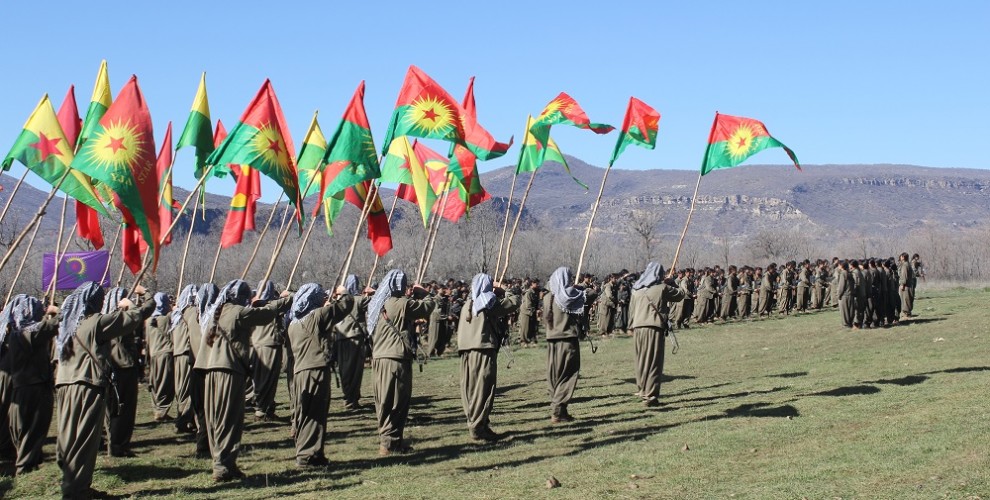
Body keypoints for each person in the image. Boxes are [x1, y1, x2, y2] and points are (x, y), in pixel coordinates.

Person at [55, 282, 153, 499]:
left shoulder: (66, 324)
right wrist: (142, 296)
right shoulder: (96, 323)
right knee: (84, 440)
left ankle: (71, 483)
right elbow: (140, 314)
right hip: (86, 386)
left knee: (69, 437)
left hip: (64, 385)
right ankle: (77, 490)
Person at [198, 279, 292, 482]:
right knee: (230, 419)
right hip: (229, 371)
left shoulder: (216, 310)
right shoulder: (238, 312)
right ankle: (223, 466)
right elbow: (266, 314)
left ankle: (223, 462)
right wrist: (286, 298)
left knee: (215, 419)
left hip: (210, 370)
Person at [367, 269, 435, 456]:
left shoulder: (377, 303)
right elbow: (427, 307)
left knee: (383, 402)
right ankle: (391, 443)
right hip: (395, 359)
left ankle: (388, 441)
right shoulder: (399, 304)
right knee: (398, 402)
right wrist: (422, 293)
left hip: (379, 358)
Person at [285, 283, 352, 467]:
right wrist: (343, 292)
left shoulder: (293, 323)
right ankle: (307, 457)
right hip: (315, 370)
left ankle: (315, 453)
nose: (323, 298)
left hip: (300, 372)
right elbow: (346, 305)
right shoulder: (316, 316)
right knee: (314, 413)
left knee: (306, 413)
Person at [457, 273, 519, 441]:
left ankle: (479, 423)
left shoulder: (467, 304)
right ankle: (478, 427)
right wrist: (504, 288)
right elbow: (513, 303)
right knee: (484, 389)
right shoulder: (487, 302)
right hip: (483, 350)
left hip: (466, 351)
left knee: (470, 390)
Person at [1, 294, 59, 474]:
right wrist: (55, 310)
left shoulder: (13, 334)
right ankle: (26, 466)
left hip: (21, 386)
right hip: (35, 387)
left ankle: (26, 461)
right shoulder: (31, 333)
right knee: (34, 428)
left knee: (21, 427)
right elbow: (63, 319)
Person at [628, 263, 685, 407]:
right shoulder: (662, 288)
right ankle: (651, 395)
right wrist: (673, 282)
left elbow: (631, 311)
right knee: (654, 361)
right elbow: (681, 295)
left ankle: (642, 389)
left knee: (641, 360)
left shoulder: (637, 289)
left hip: (638, 327)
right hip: (653, 327)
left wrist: (630, 326)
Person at [103, 286, 143, 457]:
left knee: (112, 410)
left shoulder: (104, 318)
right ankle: (118, 446)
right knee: (121, 410)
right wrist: (132, 304)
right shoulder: (116, 319)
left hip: (110, 368)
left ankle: (115, 444)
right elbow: (138, 315)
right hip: (122, 367)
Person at [543, 267, 585, 423]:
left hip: (551, 339)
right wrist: (581, 288)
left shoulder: (548, 297)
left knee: (555, 375)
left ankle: (561, 411)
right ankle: (558, 409)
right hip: (567, 339)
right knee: (568, 374)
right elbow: (590, 297)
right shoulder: (570, 294)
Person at [249, 280, 285, 420]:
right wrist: (285, 294)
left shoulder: (251, 305)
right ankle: (261, 410)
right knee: (267, 379)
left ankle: (267, 408)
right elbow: (290, 300)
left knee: (261, 378)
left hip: (256, 344)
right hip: (269, 345)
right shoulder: (272, 306)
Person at [335, 275, 372, 411]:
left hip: (340, 337)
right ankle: (351, 400)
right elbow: (375, 304)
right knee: (355, 371)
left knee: (344, 370)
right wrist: (371, 293)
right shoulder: (359, 300)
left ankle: (349, 397)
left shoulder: (337, 300)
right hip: (355, 338)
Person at [170, 285, 198, 434]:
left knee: (181, 390)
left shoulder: (175, 314)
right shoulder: (190, 314)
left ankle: (188, 420)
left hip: (178, 354)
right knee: (187, 390)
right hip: (187, 353)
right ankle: (182, 420)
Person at [145, 292, 175, 421]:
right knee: (165, 383)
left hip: (153, 354)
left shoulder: (148, 321)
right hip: (165, 354)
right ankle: (161, 411)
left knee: (155, 383)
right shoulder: (166, 319)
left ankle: (157, 409)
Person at [518, 280, 540, 347]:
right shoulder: (529, 293)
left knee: (531, 327)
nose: (537, 285)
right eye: (536, 283)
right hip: (526, 312)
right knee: (525, 327)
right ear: (532, 284)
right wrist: (534, 310)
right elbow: (528, 304)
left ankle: (529, 341)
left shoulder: (535, 292)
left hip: (531, 312)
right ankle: (523, 342)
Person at [835, 261, 854, 328]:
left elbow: (841, 286)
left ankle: (846, 324)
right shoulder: (849, 273)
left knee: (844, 311)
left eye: (839, 265)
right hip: (850, 294)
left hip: (844, 295)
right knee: (850, 310)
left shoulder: (843, 273)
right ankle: (850, 323)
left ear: (842, 266)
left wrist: (838, 295)